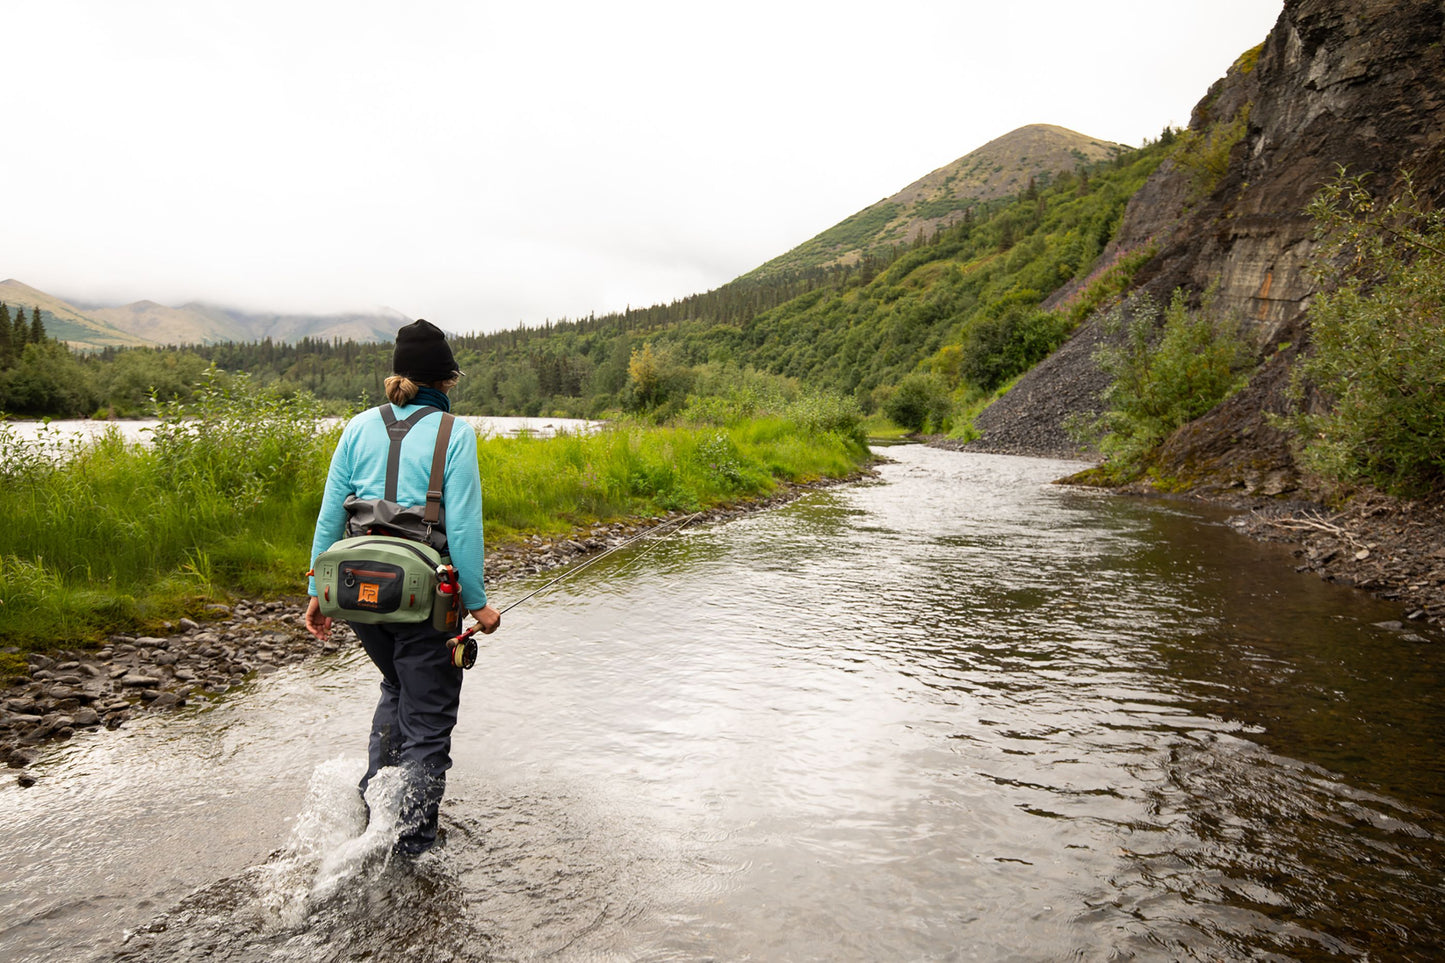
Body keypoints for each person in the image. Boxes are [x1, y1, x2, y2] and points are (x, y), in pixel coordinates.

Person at [304, 318, 500, 856]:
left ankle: (372, 814)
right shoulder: (454, 432)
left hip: (356, 593)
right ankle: (411, 847)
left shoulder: (356, 426)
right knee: (430, 719)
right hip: (423, 599)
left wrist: (318, 592)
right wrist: (479, 605)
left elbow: (329, 517)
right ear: (447, 381)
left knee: (395, 688)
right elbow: (463, 526)